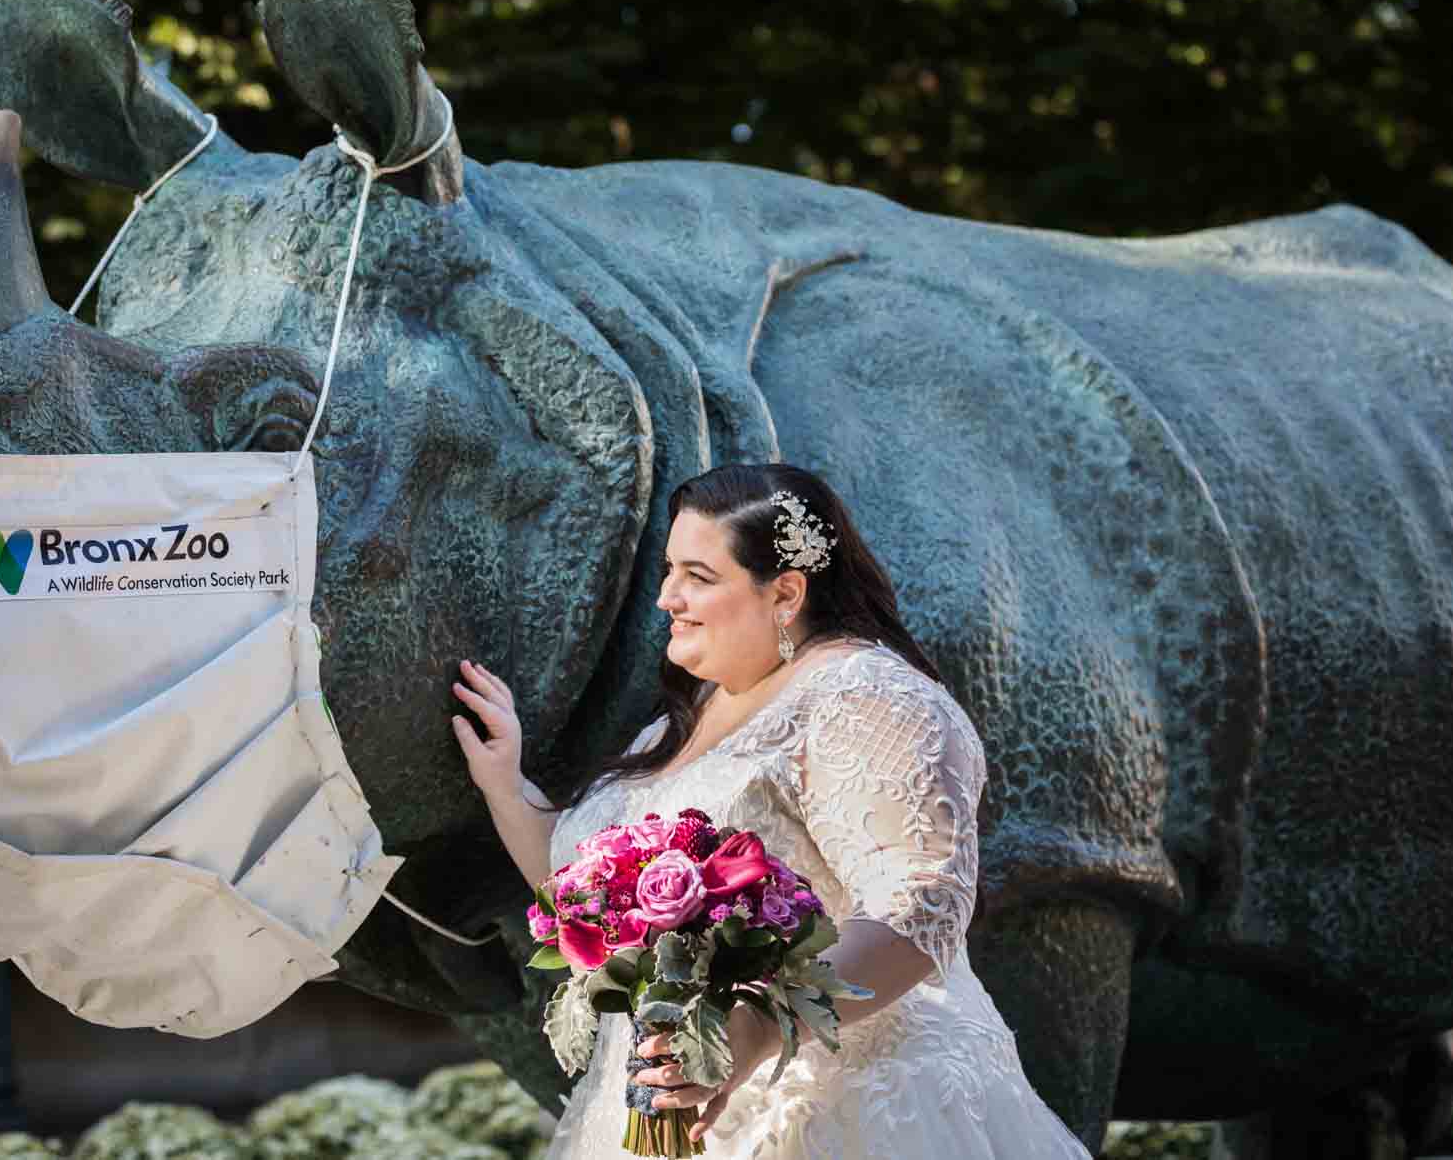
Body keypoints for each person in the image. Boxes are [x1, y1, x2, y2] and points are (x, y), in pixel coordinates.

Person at [450, 462, 1093, 1158]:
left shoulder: (868, 697)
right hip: (662, 1108)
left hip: (832, 1112)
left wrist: (754, 1030)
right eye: (669, 570)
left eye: (698, 576)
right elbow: (581, 890)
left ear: (786, 593)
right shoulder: (688, 717)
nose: (667, 596)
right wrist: (505, 783)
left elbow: (924, 903)